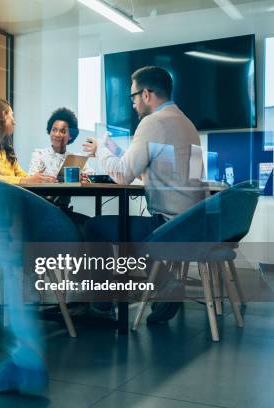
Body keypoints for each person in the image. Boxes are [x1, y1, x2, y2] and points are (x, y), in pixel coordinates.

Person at [82, 66, 205, 324]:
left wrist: (100, 150)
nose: (133, 104)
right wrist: (117, 155)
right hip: (191, 223)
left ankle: (103, 304)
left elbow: (122, 175)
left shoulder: (152, 123)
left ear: (147, 94)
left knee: (94, 227)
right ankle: (165, 284)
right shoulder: (186, 124)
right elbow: (170, 172)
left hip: (168, 226)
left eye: (133, 97)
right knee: (129, 229)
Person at [0, 99, 56, 185]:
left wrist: (41, 179)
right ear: (3, 115)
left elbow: (20, 174)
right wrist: (25, 180)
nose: (14, 122)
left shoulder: (6, 146)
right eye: (12, 115)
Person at [28, 107, 91, 179]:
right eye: (54, 130)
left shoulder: (77, 158)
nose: (57, 134)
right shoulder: (39, 154)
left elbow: (91, 176)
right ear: (50, 131)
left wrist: (84, 178)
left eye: (63, 131)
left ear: (70, 136)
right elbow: (31, 179)